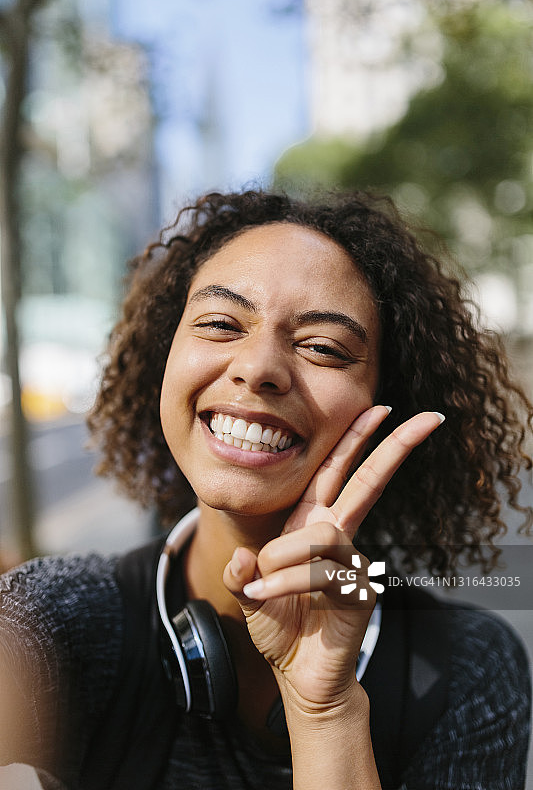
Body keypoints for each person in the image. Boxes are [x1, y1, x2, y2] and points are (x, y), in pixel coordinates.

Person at [1, 188, 532, 790]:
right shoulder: (48, 617)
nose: (258, 368)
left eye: (324, 347)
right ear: (164, 356)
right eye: (221, 324)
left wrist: (326, 714)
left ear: (391, 403)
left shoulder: (468, 669)